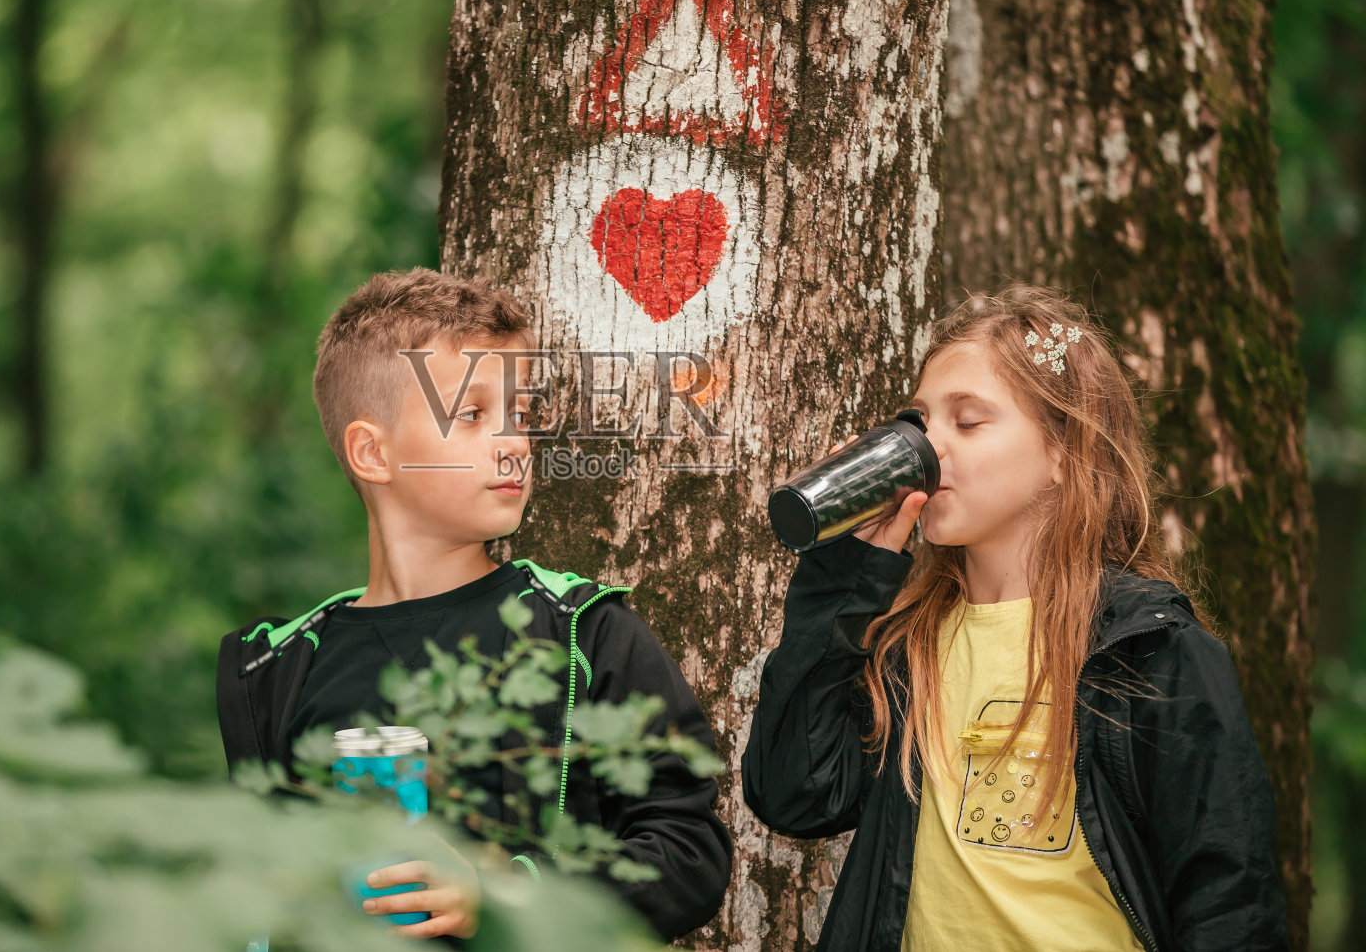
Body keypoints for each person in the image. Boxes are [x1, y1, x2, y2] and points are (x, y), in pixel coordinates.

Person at [742, 285, 1287, 951]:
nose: (931, 446)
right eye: (918, 423)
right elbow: (794, 793)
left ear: (1064, 450)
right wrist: (841, 579)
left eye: (968, 421)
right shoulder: (904, 647)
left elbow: (1230, 903)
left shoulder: (1150, 650)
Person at [216, 267, 730, 942]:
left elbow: (688, 852)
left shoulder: (586, 631)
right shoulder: (278, 668)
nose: (516, 441)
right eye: (473, 414)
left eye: (520, 415)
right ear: (373, 452)